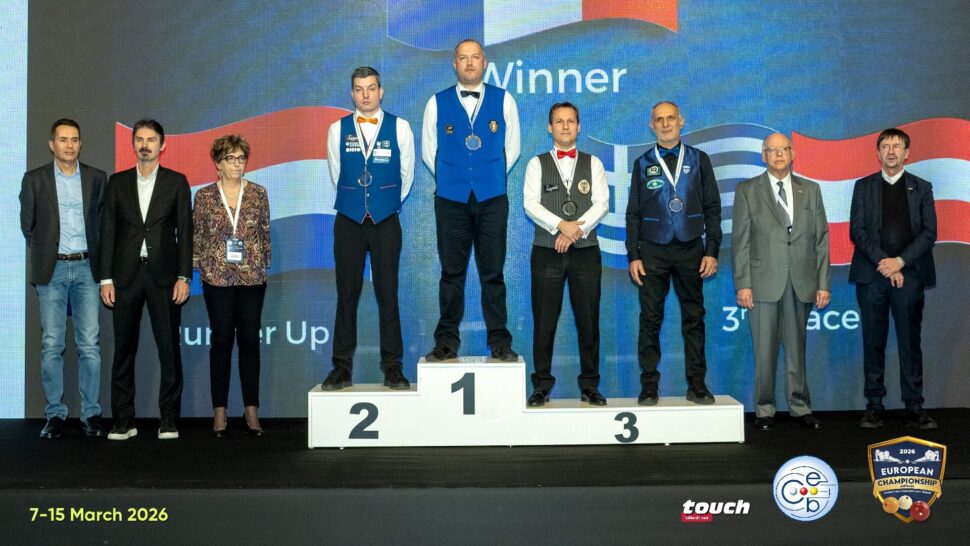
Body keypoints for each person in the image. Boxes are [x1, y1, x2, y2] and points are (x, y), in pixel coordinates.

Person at [421, 38, 521, 362]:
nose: (469, 63)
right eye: (462, 58)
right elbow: (429, 152)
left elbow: (512, 149)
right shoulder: (436, 103)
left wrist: (487, 176)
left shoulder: (504, 100)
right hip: (450, 200)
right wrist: (454, 178)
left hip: (492, 199)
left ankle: (500, 341)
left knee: (493, 273)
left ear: (484, 62)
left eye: (474, 57)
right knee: (451, 274)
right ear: (454, 64)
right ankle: (446, 342)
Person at [322, 66, 414, 391]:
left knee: (388, 295)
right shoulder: (337, 129)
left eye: (371, 88)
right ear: (352, 94)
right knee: (346, 295)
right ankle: (341, 368)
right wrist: (358, 203)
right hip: (348, 221)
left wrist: (384, 204)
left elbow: (406, 175)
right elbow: (337, 174)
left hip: (386, 221)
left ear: (381, 91)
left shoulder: (400, 127)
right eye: (359, 89)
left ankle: (393, 368)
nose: (365, 95)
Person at [99, 118, 192, 440]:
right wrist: (105, 278)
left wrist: (184, 276)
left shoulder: (176, 182)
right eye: (139, 139)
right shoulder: (117, 183)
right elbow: (108, 232)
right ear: (133, 144)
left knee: (169, 350)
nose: (145, 145)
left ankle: (169, 418)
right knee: (123, 351)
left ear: (162, 145)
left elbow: (186, 232)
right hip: (125, 277)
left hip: (164, 277)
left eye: (151, 140)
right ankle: (123, 420)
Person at [732, 133, 830, 430]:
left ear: (792, 154)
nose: (778, 155)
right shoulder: (748, 190)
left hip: (801, 280)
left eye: (783, 149)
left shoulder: (810, 190)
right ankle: (764, 410)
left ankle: (800, 408)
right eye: (771, 150)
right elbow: (740, 242)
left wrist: (823, 283)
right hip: (762, 282)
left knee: (797, 349)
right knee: (764, 351)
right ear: (763, 156)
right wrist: (743, 283)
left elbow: (822, 240)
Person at [624, 101, 721, 406]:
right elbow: (633, 213)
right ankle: (649, 385)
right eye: (659, 119)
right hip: (652, 250)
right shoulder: (642, 163)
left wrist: (712, 250)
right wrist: (633, 255)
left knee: (694, 317)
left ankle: (697, 384)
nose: (665, 124)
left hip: (691, 247)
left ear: (681, 121)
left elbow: (712, 207)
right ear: (651, 125)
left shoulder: (699, 159)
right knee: (650, 319)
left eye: (670, 118)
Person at [19, 119, 107, 438]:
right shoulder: (34, 179)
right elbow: (28, 225)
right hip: (52, 269)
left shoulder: (97, 178)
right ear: (51, 144)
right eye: (63, 139)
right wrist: (48, 251)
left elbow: (103, 224)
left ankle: (91, 413)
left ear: (80, 144)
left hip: (87, 268)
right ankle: (54, 414)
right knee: (52, 345)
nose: (70, 145)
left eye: (75, 139)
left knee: (90, 345)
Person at [850, 128, 937, 429]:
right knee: (873, 342)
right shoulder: (863, 187)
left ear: (906, 153)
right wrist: (884, 263)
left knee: (910, 343)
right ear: (877, 153)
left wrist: (899, 262)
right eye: (885, 146)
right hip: (872, 276)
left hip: (909, 275)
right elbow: (857, 231)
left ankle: (914, 406)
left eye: (897, 146)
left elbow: (929, 233)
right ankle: (874, 405)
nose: (891, 151)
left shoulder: (922, 188)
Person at [523, 102, 609, 407]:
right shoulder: (536, 163)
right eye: (559, 122)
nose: (565, 126)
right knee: (544, 321)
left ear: (579, 126)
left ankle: (590, 386)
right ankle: (541, 386)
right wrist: (561, 226)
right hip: (547, 252)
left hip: (586, 252)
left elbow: (602, 204)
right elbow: (530, 204)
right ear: (550, 128)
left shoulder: (593, 163)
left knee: (589, 321)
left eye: (570, 121)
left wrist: (574, 231)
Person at [193, 134, 271, 436]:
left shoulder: (259, 194)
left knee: (250, 341)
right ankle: (220, 410)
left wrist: (262, 264)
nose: (237, 164)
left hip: (252, 278)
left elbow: (264, 234)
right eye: (230, 158)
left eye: (241, 158)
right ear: (218, 163)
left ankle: (251, 409)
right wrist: (200, 266)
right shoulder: (204, 196)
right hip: (217, 278)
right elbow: (197, 236)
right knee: (222, 341)